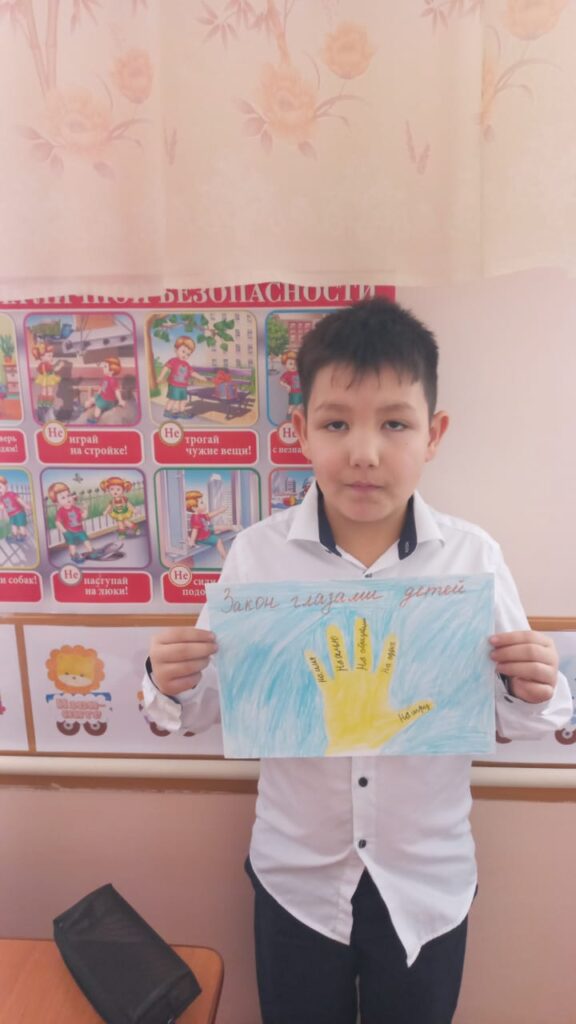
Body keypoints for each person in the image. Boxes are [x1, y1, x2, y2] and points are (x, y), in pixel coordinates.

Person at [142, 297, 572, 1024]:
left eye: (395, 424)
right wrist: (168, 682)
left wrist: (535, 688)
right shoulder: (257, 557)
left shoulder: (472, 558)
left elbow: (523, 718)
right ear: (301, 432)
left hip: (427, 883)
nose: (364, 452)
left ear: (434, 434)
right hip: (297, 882)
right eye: (336, 423)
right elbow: (209, 707)